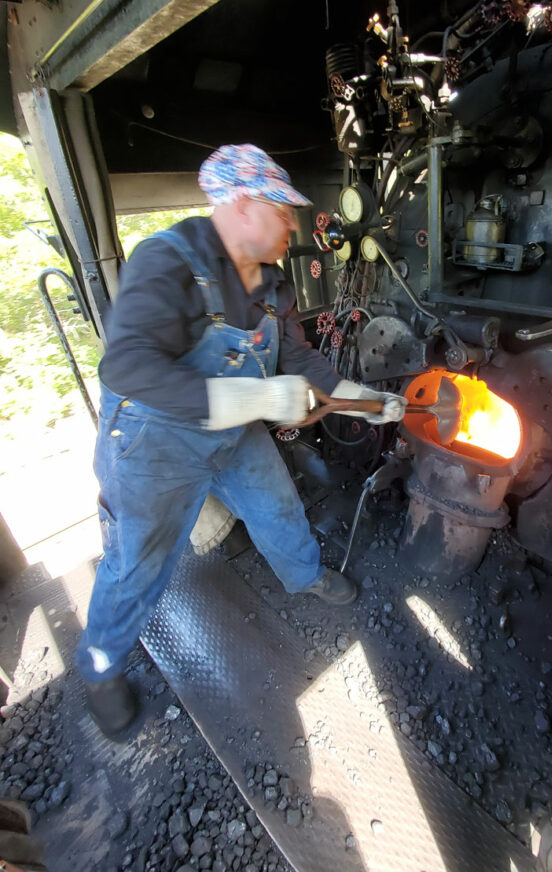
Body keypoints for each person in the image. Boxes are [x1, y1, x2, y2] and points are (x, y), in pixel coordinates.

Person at [75, 144, 406, 737]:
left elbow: (301, 358)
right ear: (244, 203)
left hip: (231, 435)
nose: (291, 225)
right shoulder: (167, 261)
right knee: (137, 563)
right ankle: (100, 666)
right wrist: (256, 399)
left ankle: (304, 576)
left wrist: (370, 401)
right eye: (283, 212)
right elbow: (125, 367)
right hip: (156, 444)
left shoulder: (273, 287)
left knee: (277, 505)